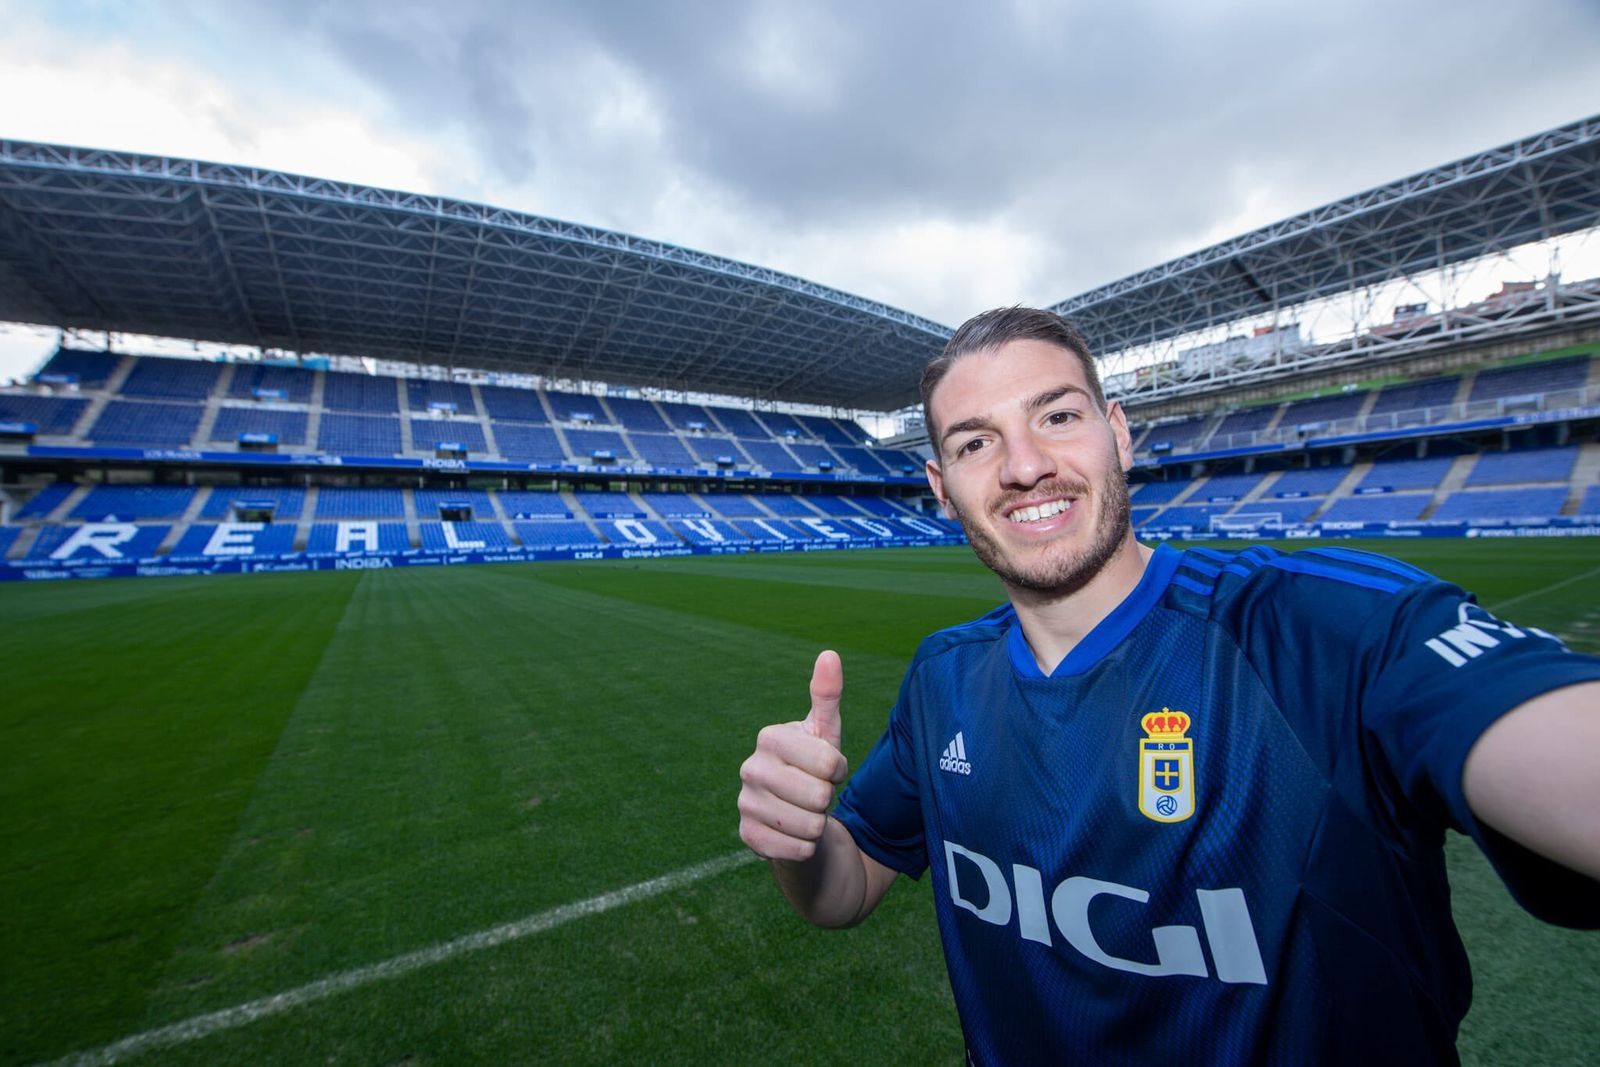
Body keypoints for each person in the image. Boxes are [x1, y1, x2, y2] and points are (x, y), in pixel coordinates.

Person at [737, 306, 1600, 1065]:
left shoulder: (1319, 633)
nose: (1025, 465)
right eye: (975, 442)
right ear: (942, 487)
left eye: (1058, 415)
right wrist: (799, 841)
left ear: (1119, 432)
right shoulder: (943, 678)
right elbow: (844, 889)